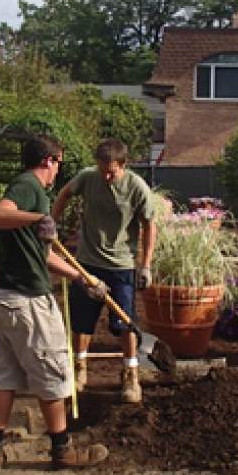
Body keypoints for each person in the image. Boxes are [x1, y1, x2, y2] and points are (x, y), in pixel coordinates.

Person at [0, 134, 110, 474]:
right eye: (58, 164)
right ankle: (62, 451)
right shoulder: (27, 187)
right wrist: (37, 218)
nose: (57, 172)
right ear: (49, 160)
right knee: (52, 372)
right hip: (24, 302)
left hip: (1, 297)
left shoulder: (32, 192)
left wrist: (82, 279)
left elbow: (45, 255)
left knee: (5, 376)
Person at [51, 138, 156, 404]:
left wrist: (145, 265)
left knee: (126, 324)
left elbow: (149, 225)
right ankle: (80, 369)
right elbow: (64, 194)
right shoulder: (88, 177)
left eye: (112, 171)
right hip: (87, 264)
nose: (106, 176)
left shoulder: (136, 187)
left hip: (122, 266)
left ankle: (131, 374)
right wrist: (52, 224)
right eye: (102, 170)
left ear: (124, 165)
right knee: (82, 320)